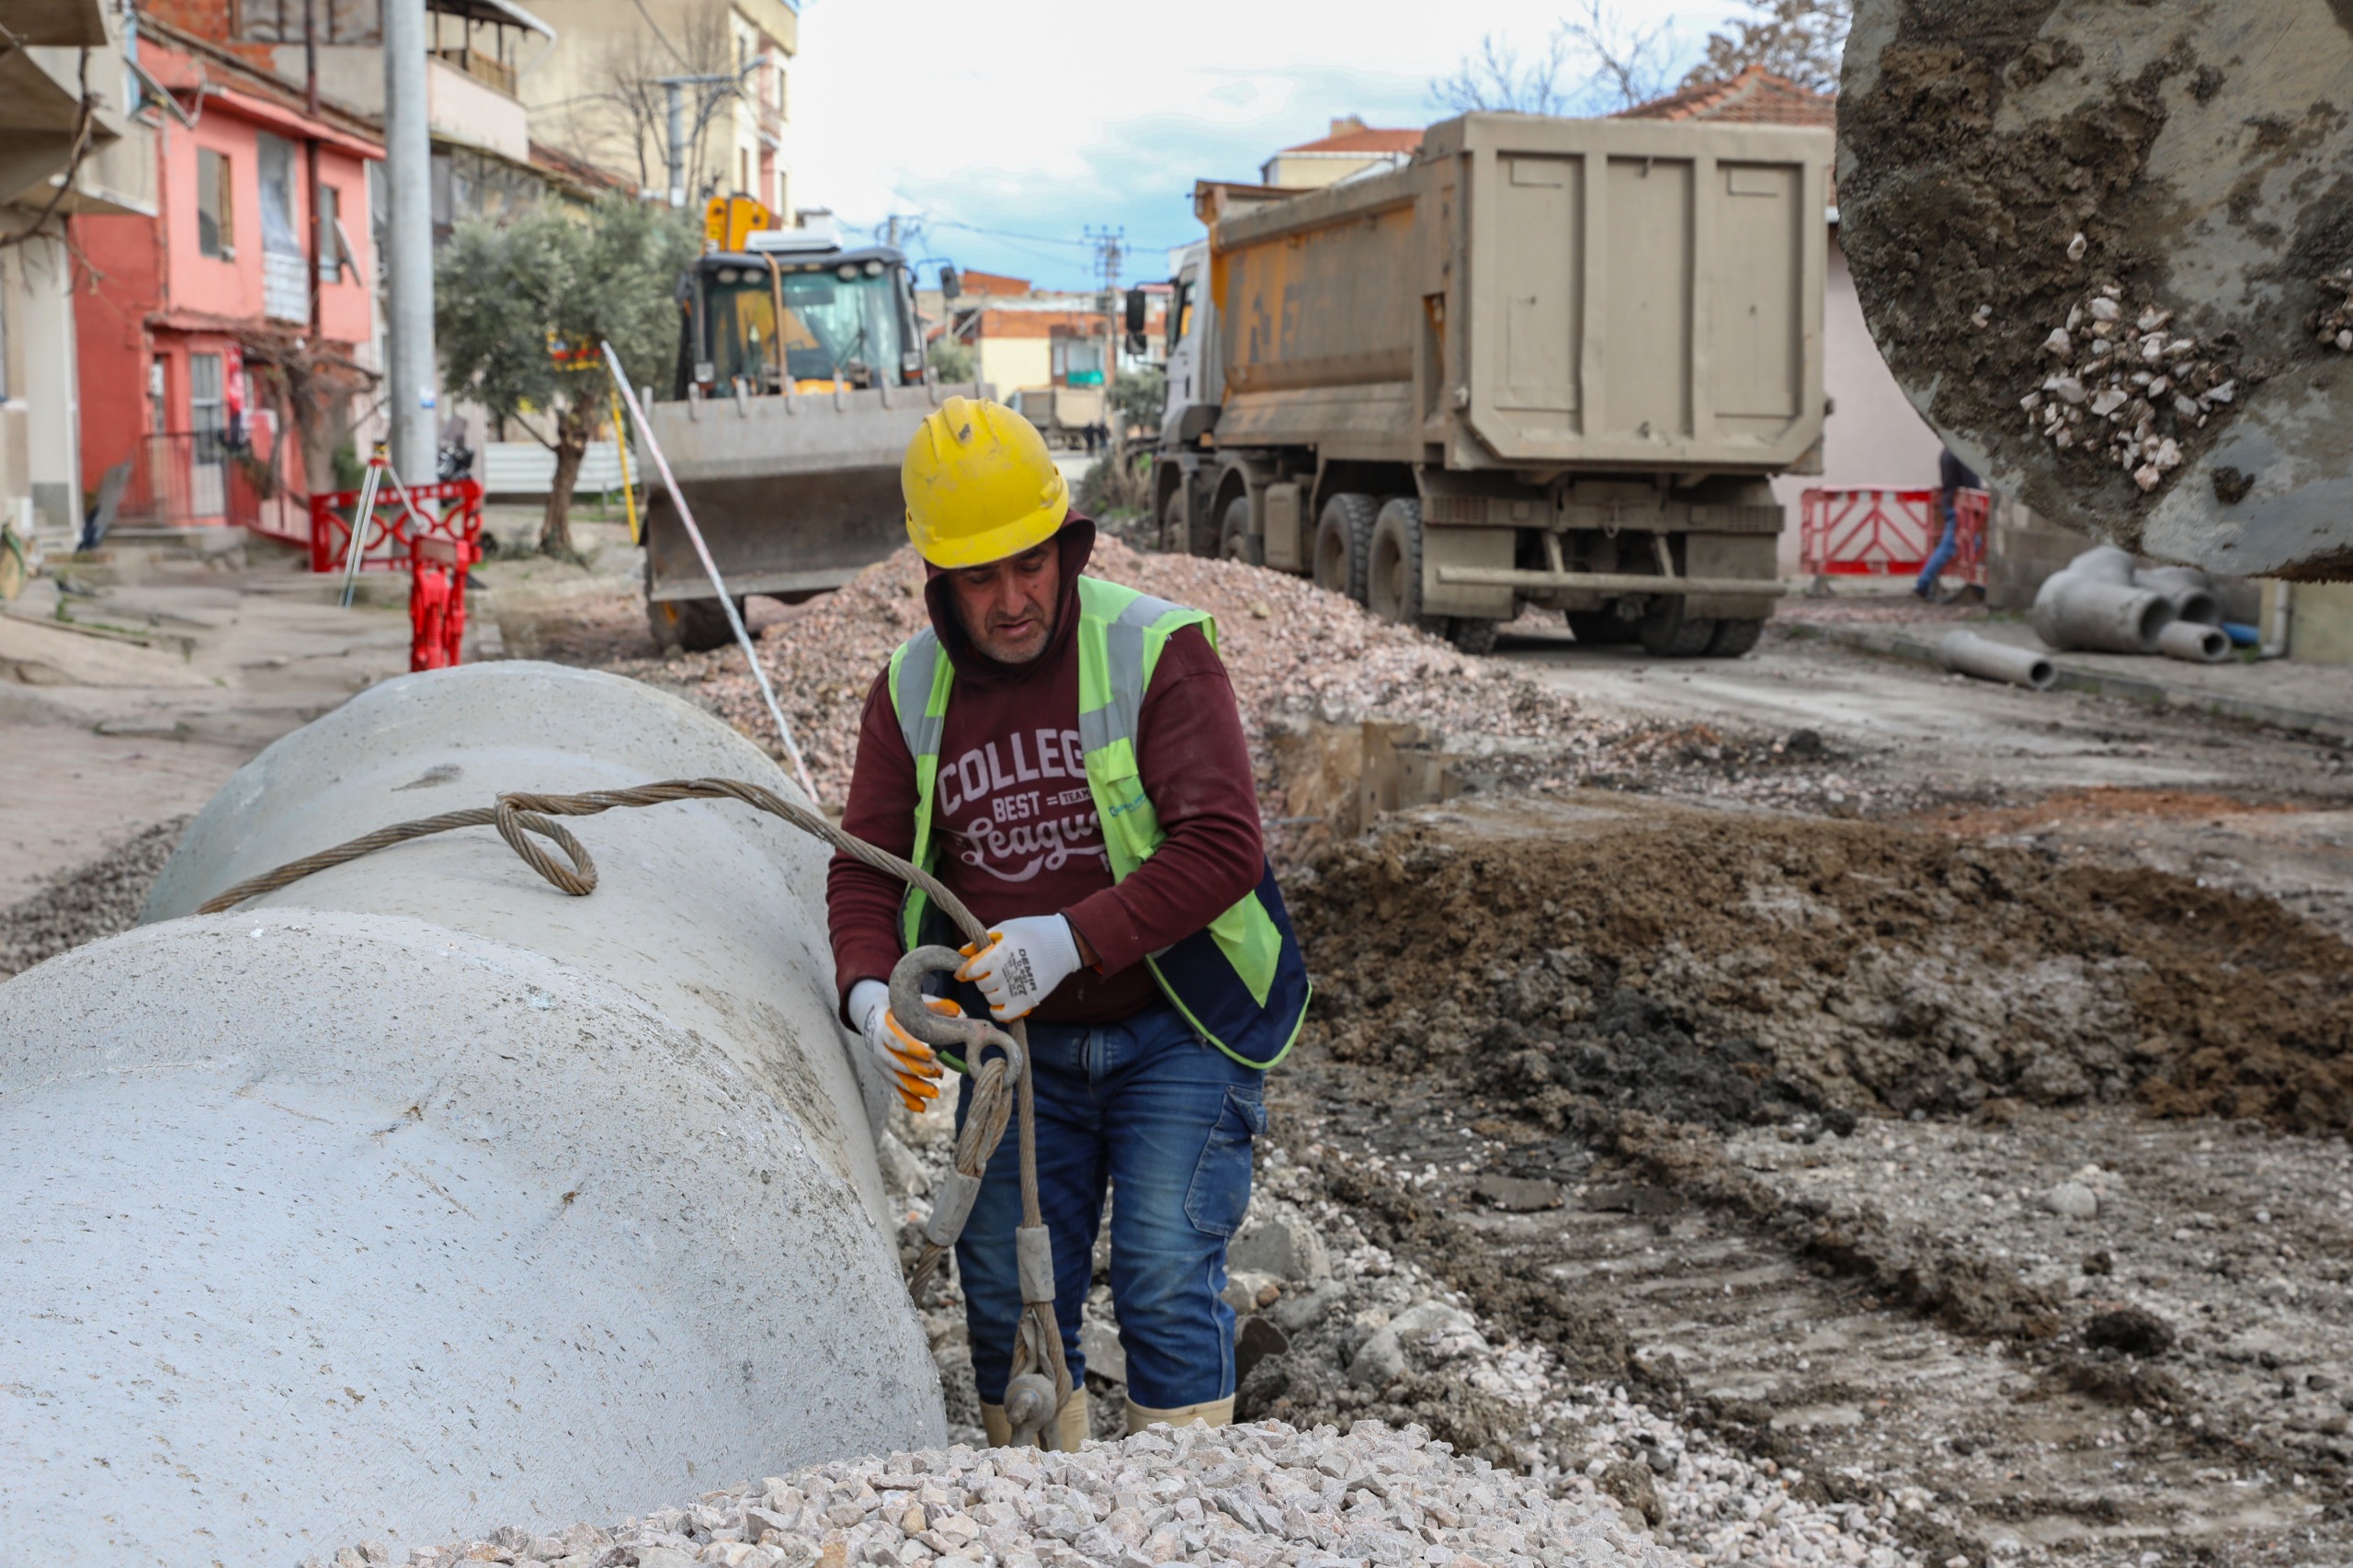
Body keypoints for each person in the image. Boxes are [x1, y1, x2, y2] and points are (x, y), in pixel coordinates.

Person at [826, 395, 1312, 1450]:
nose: (1011, 600)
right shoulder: (909, 694)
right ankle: (1038, 1504)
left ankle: (1186, 1505)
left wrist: (1070, 938)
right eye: (980, 578)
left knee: (1160, 1268)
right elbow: (865, 869)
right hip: (1019, 1052)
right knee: (1001, 1287)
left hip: (1176, 1023)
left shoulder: (1152, 648)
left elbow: (1224, 846)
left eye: (1029, 565)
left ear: (1065, 545)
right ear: (940, 582)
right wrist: (870, 995)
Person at [1915, 448, 1981, 601]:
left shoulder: (1946, 452)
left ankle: (1979, 587)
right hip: (1961, 507)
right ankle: (1922, 583)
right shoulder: (1963, 453)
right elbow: (1972, 484)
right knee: (1951, 546)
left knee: (1974, 544)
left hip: (1950, 502)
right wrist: (1978, 508)